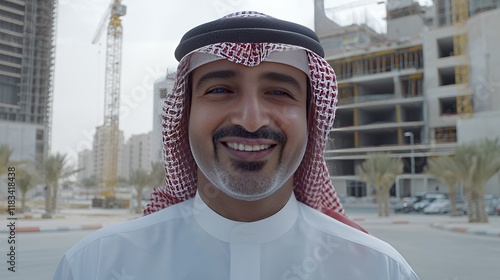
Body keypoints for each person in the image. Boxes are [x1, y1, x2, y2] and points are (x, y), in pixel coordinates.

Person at [53, 11, 419, 280]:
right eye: (220, 90)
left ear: (311, 118)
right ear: (184, 115)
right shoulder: (95, 265)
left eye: (278, 92)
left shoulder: (379, 269)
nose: (250, 120)